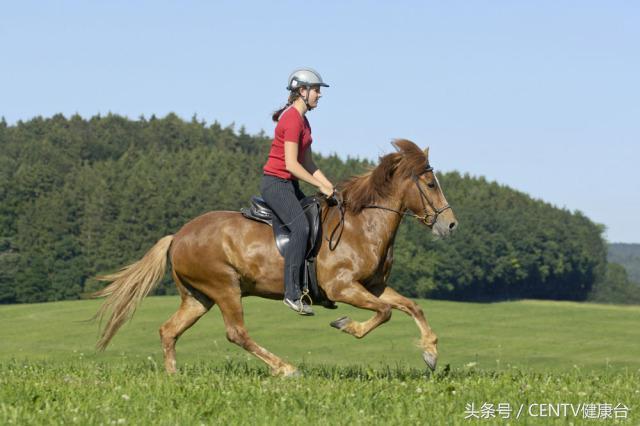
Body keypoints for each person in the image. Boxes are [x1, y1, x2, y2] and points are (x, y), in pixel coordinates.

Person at [261, 68, 335, 315]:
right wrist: (319, 186)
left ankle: (315, 288)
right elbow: (292, 164)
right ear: (302, 91)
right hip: (276, 184)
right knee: (301, 228)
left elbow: (309, 163)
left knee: (317, 222)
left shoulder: (304, 120)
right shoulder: (291, 119)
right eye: (316, 90)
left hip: (289, 184)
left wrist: (328, 184)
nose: (319, 95)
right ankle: (292, 293)